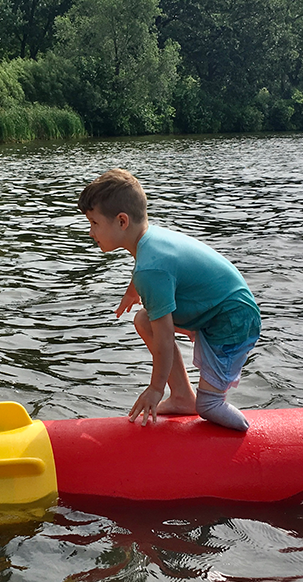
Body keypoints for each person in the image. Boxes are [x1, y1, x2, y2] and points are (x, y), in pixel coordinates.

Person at [78, 168, 261, 431]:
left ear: (122, 221)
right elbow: (151, 268)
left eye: (94, 223)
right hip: (218, 312)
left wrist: (155, 388)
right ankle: (182, 396)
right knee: (144, 320)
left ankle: (249, 434)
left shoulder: (150, 268)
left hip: (232, 323)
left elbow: (164, 336)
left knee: (208, 406)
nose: (90, 232)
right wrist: (132, 292)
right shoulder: (149, 241)